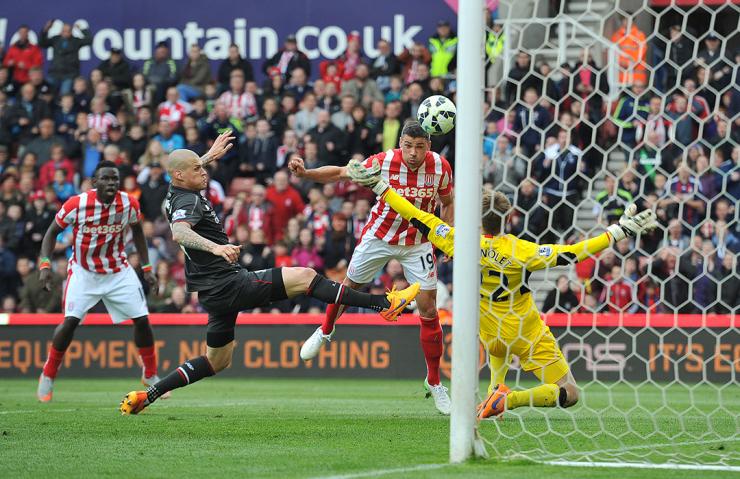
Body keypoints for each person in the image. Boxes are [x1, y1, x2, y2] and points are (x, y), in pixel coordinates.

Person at [118, 131, 420, 415]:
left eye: (203, 166)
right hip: (227, 283)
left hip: (212, 293)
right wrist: (215, 248)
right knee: (304, 277)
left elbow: (184, 173)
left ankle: (150, 394)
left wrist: (207, 156)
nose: (205, 172)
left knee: (217, 362)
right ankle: (386, 304)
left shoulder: (175, 190)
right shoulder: (187, 200)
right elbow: (180, 232)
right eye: (198, 170)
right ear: (181, 176)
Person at [343, 156, 657, 418]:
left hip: (489, 333)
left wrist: (380, 186)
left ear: (478, 219)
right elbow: (572, 253)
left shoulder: (461, 242)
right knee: (569, 393)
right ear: (508, 217)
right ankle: (508, 399)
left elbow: (416, 215)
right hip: (526, 330)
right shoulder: (523, 251)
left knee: (497, 345)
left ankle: (495, 388)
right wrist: (617, 232)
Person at [289, 120, 454, 415]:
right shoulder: (383, 162)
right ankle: (326, 330)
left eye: (419, 147)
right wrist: (306, 173)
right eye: (408, 146)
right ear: (399, 143)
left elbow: (447, 202)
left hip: (417, 242)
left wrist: (448, 237)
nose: (413, 153)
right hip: (379, 236)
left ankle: (434, 380)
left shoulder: (441, 167)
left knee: (429, 309)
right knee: (349, 288)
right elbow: (341, 172)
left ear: (429, 146)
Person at [36, 160, 160, 402]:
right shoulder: (77, 204)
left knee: (143, 320)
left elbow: (137, 233)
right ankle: (49, 374)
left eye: (115, 178)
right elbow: (52, 232)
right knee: (70, 323)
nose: (112, 182)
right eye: (106, 178)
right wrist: (45, 264)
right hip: (84, 272)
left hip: (118, 270)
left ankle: (150, 373)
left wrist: (147, 268)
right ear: (95, 182)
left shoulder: (128, 203)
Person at [39, 20, 93, 95]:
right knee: (46, 92)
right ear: (61, 31)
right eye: (63, 31)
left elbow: (89, 40)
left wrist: (82, 29)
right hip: (55, 73)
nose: (65, 33)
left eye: (68, 31)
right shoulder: (56, 39)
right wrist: (46, 29)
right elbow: (42, 43)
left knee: (64, 93)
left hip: (69, 74)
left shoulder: (75, 41)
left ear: (71, 32)